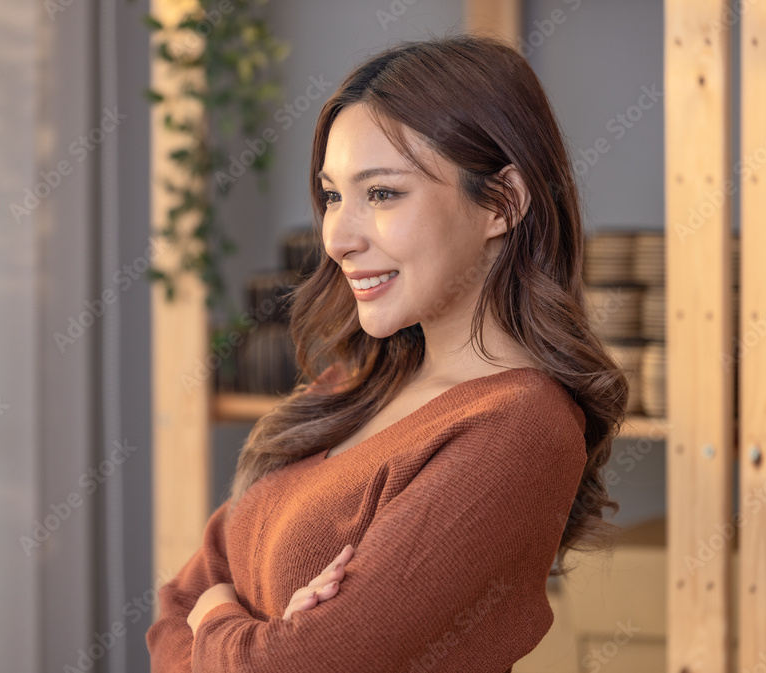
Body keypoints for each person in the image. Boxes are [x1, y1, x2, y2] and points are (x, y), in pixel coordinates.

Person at [147, 32, 628, 673]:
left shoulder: (521, 427)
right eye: (333, 195)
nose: (338, 237)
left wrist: (218, 617)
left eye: (382, 194)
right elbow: (175, 602)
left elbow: (278, 656)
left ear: (503, 202)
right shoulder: (358, 380)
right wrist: (242, 633)